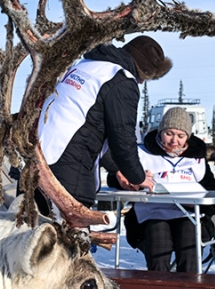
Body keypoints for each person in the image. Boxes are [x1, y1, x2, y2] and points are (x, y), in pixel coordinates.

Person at [36, 36, 172, 213]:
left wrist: (117, 170)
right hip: (64, 178)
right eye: (145, 77)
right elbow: (122, 140)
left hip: (37, 163)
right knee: (65, 238)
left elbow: (87, 130)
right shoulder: (121, 80)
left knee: (29, 234)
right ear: (142, 70)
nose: (141, 82)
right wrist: (138, 177)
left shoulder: (85, 66)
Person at [109, 107, 215, 289]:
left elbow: (214, 193)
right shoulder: (143, 153)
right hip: (150, 214)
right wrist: (129, 182)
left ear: (188, 137)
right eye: (169, 133)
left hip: (187, 213)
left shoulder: (196, 159)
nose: (174, 141)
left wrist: (199, 202)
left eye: (180, 136)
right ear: (160, 132)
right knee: (157, 231)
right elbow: (116, 178)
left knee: (189, 232)